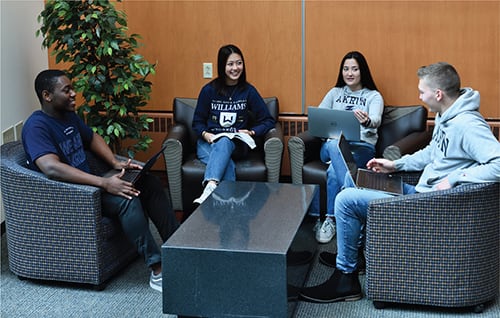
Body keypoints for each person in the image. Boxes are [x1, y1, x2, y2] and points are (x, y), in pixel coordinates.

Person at [299, 62, 500, 303]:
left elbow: (497, 164)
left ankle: (345, 278)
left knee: (345, 200)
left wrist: (455, 178)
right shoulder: (446, 115)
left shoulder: (468, 125)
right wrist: (395, 165)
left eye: (422, 91)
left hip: (430, 203)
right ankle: (354, 257)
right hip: (419, 192)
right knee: (354, 181)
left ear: (438, 94)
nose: (419, 96)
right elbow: (431, 153)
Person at [22, 69, 179, 292]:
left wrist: (115, 162)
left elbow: (92, 137)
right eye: (66, 90)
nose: (74, 94)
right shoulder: (36, 127)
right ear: (47, 95)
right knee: (127, 196)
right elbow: (51, 168)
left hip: (92, 184)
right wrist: (105, 183)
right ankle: (157, 269)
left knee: (150, 182)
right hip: (73, 195)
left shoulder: (69, 116)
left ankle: (179, 248)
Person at [312, 51, 384, 244]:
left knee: (334, 172)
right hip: (331, 146)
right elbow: (319, 117)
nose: (349, 73)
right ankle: (350, 191)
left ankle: (330, 219)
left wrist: (367, 121)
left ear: (363, 71)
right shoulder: (334, 93)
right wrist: (323, 128)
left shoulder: (373, 96)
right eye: (346, 69)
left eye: (354, 69)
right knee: (336, 143)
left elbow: (376, 120)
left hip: (361, 148)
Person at [191, 44, 275, 204]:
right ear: (222, 66)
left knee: (225, 141)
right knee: (225, 162)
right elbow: (197, 122)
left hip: (237, 146)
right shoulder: (209, 90)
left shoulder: (248, 91)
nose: (235, 68)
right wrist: (206, 135)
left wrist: (251, 132)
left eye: (239, 63)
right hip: (209, 144)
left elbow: (268, 120)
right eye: (230, 64)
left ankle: (211, 185)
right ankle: (230, 205)